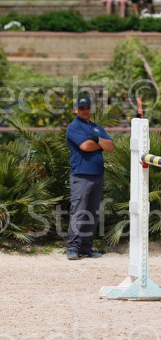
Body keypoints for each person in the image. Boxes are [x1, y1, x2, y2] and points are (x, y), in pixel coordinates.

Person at [66, 94, 114, 260]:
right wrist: (100, 144)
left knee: (92, 213)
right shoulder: (73, 127)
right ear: (76, 110)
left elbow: (110, 146)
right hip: (81, 175)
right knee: (79, 212)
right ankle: (73, 247)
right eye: (82, 108)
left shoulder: (97, 128)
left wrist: (97, 139)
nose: (85, 110)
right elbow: (85, 146)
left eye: (87, 107)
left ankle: (86, 248)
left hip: (98, 175)